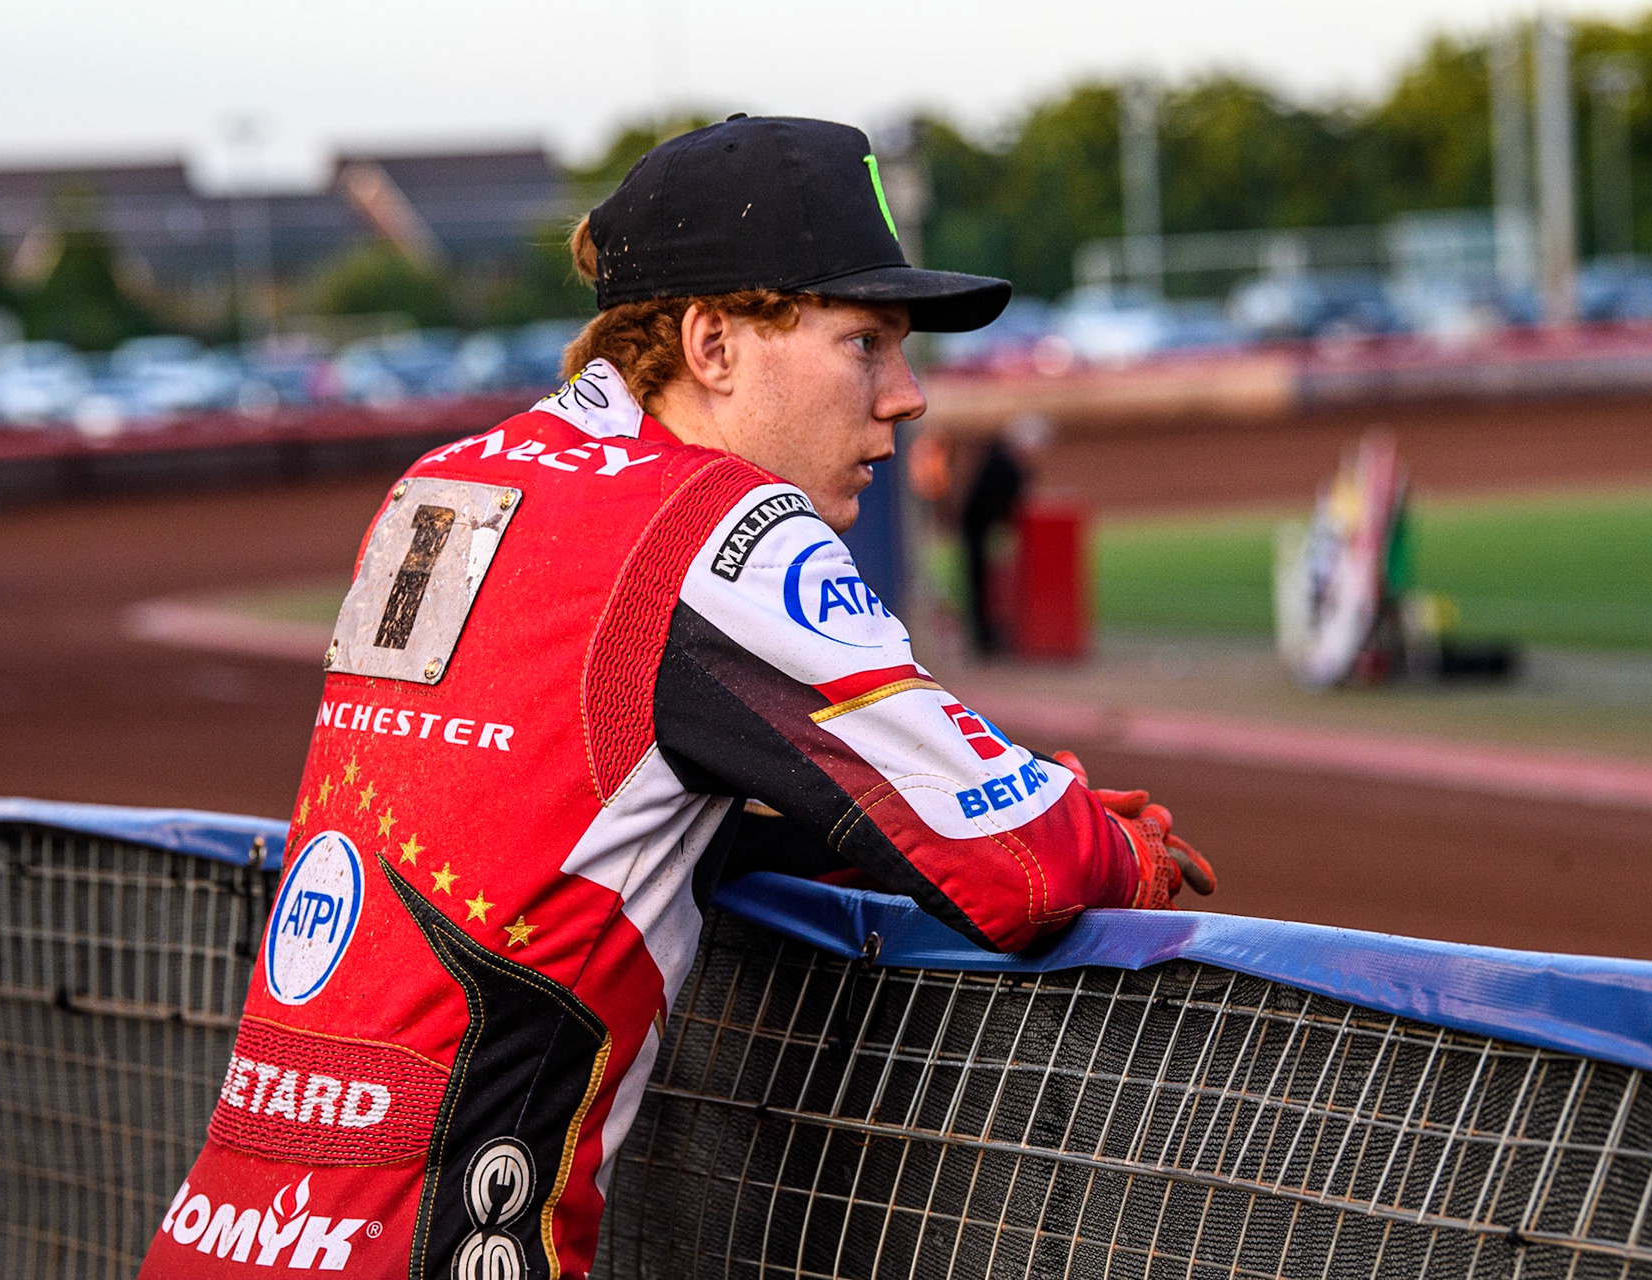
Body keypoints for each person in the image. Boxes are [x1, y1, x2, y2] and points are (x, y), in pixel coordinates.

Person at [139, 116, 1213, 1280]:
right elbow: (1026, 863)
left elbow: (557, 822)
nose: (905, 396)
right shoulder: (718, 526)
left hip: (213, 1236)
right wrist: (1116, 844)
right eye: (865, 341)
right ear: (712, 342)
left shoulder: (447, 481)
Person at [959, 411, 1051, 657]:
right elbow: (1008, 504)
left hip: (982, 529)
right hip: (980, 530)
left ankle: (987, 639)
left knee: (983, 585)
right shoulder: (1005, 465)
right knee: (981, 585)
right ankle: (985, 641)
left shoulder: (1000, 459)